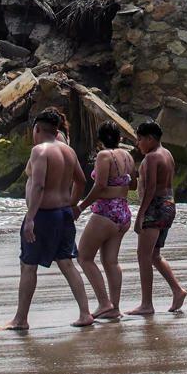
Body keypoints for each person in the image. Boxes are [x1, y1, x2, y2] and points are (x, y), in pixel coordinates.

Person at [0, 108, 94, 332]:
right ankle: (85, 313)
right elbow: (81, 181)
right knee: (67, 263)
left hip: (43, 215)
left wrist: (30, 218)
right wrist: (72, 204)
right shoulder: (68, 151)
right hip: (63, 214)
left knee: (28, 266)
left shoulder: (39, 151)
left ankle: (20, 319)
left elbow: (39, 185)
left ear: (38, 129)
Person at [73, 120, 135, 321]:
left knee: (84, 257)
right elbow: (133, 185)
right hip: (123, 213)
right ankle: (114, 307)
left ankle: (104, 303)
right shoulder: (128, 156)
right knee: (111, 261)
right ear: (119, 138)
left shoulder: (103, 156)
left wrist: (81, 207)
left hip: (106, 212)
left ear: (99, 139)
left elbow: (99, 186)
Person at [128, 120, 187, 315]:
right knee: (154, 255)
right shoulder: (167, 153)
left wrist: (140, 215)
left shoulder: (152, 157)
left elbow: (151, 188)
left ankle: (147, 304)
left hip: (155, 207)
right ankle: (177, 290)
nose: (138, 144)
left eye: (139, 139)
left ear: (150, 138)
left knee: (143, 255)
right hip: (168, 205)